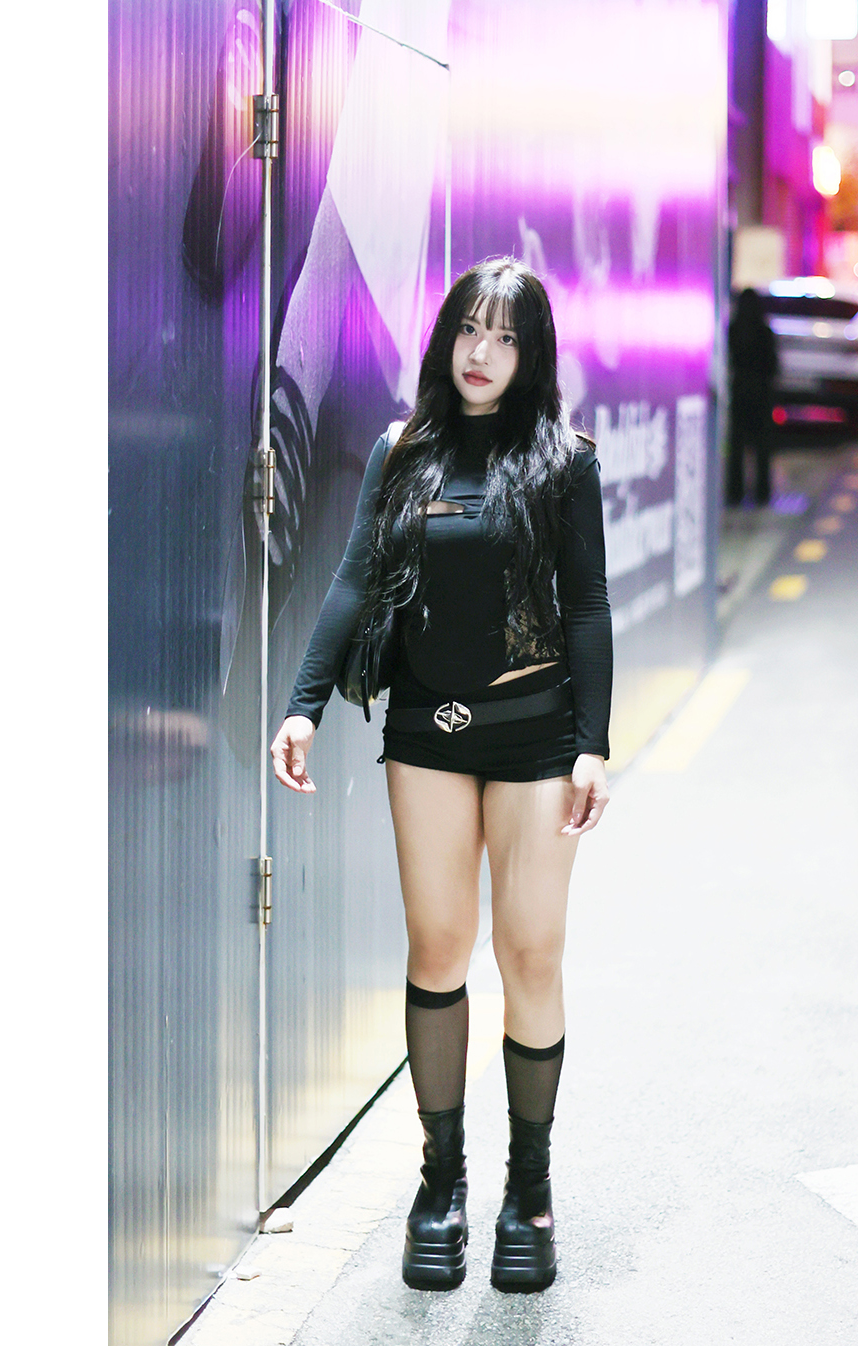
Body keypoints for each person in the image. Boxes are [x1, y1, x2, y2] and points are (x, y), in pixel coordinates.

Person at [269, 257, 613, 1293]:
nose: (482, 353)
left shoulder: (564, 461)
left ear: (530, 354)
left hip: (535, 737)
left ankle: (529, 1193)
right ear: (447, 336)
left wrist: (593, 743)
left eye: (506, 337)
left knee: (531, 951)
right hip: (427, 730)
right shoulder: (403, 450)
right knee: (438, 947)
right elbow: (355, 577)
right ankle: (440, 1184)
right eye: (470, 329)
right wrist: (302, 703)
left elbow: (586, 605)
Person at [725, 286, 778, 507]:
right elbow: (773, 365)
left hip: (740, 392)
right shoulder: (764, 331)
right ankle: (762, 493)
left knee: (736, 446)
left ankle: (735, 492)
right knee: (762, 448)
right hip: (761, 394)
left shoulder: (733, 330)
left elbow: (729, 362)